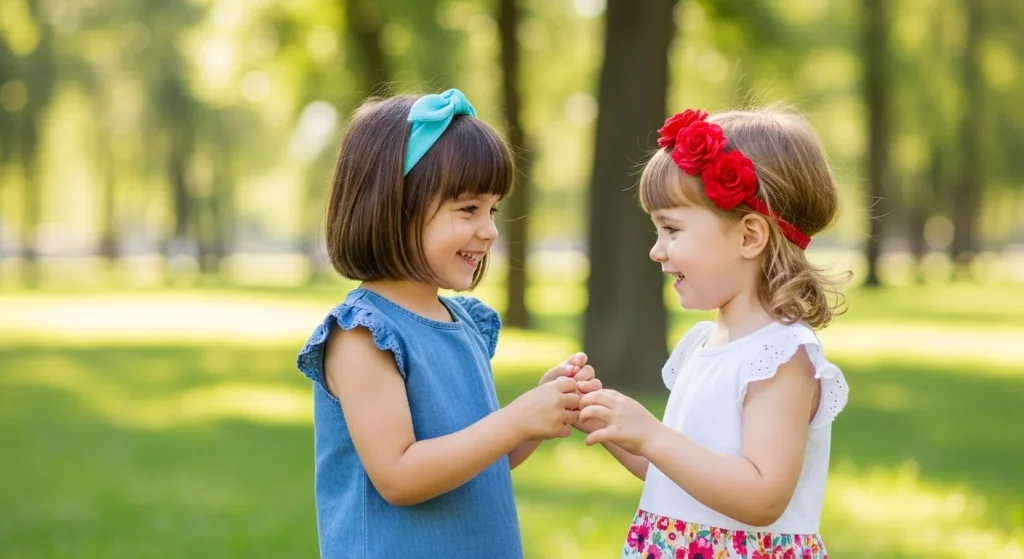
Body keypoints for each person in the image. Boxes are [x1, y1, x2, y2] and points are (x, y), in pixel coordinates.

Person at [295, 88, 592, 559]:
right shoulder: (363, 334)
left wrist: (532, 420)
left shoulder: (462, 322)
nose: (490, 229)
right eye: (468, 209)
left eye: (492, 210)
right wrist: (513, 421)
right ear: (395, 207)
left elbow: (479, 460)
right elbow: (399, 476)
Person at [576, 107, 850, 558]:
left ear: (749, 237)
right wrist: (612, 425)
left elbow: (763, 495)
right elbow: (680, 472)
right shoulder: (704, 345)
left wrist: (653, 436)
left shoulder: (780, 356)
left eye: (671, 229)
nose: (656, 250)